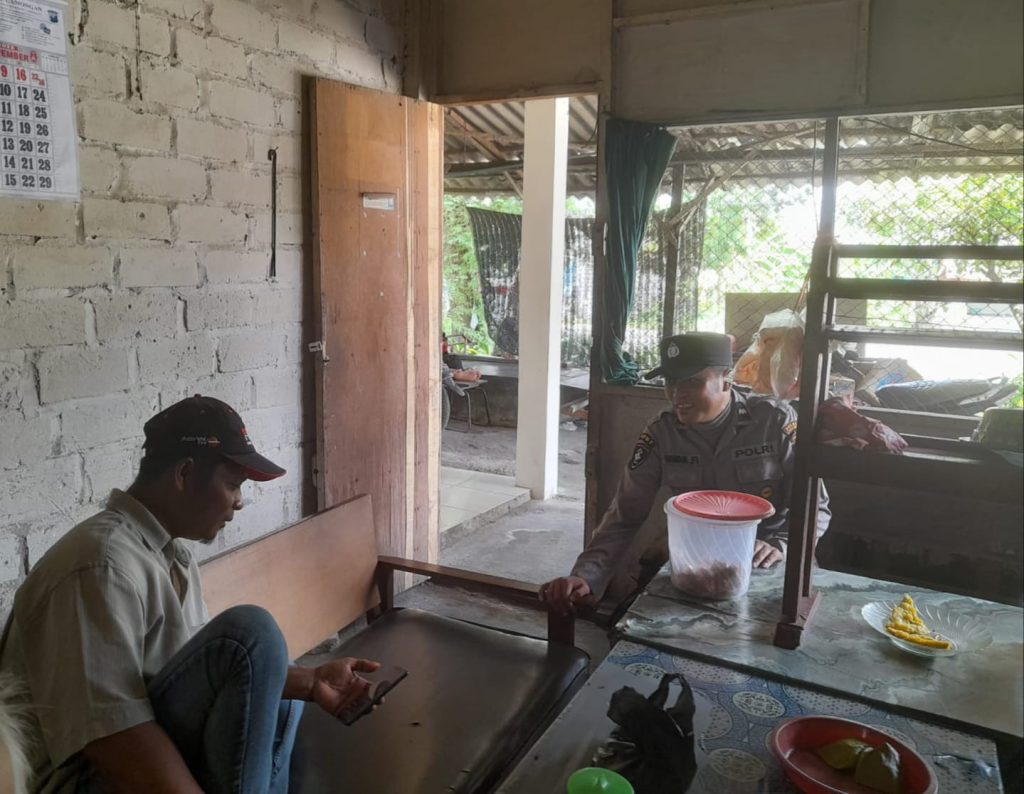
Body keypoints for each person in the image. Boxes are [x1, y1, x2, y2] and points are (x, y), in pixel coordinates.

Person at [0, 396, 380, 794]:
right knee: (252, 635)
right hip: (85, 780)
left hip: (135, 759)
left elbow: (193, 681)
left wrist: (312, 680)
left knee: (276, 669)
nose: (239, 501)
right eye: (232, 484)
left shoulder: (171, 557)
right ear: (184, 473)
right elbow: (113, 739)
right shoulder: (101, 565)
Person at [541, 332, 831, 614]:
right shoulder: (662, 433)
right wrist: (585, 576)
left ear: (726, 379)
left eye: (692, 381)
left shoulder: (773, 422)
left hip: (766, 557)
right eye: (671, 382)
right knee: (642, 626)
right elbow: (625, 514)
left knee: (772, 630)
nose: (678, 393)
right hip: (695, 557)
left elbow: (816, 508)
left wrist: (781, 544)